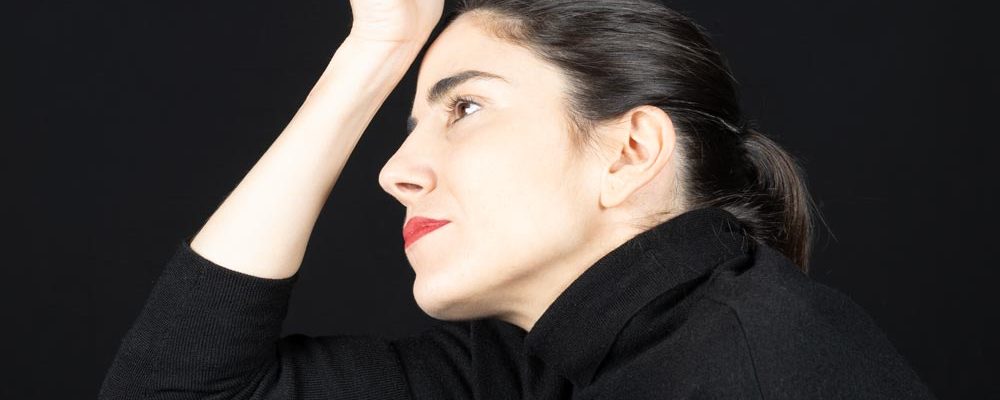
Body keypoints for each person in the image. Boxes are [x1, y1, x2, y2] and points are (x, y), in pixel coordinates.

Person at [99, 0, 937, 398]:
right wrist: (374, 50)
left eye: (464, 108)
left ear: (630, 152)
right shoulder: (538, 364)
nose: (395, 172)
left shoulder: (755, 375)